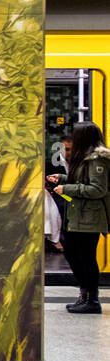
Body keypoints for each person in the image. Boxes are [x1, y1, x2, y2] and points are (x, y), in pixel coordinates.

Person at [49, 121, 110, 314]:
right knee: (72, 254)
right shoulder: (85, 158)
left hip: (89, 217)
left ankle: (92, 300)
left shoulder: (97, 160)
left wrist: (66, 188)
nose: (72, 140)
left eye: (75, 135)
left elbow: (97, 189)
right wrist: (62, 178)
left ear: (84, 137)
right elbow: (83, 181)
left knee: (86, 258)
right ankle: (84, 295)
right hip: (78, 215)